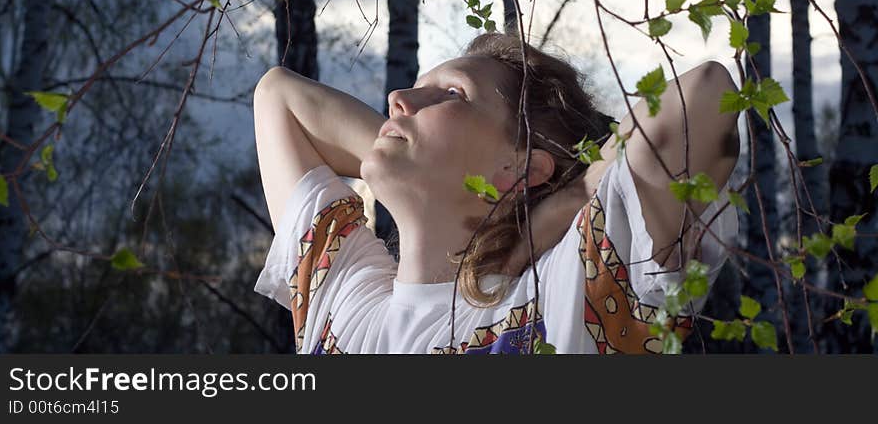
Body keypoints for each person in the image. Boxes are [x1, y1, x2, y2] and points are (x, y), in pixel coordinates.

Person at [252, 32, 740, 353]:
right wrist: (418, 153)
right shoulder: (344, 306)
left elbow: (706, 96)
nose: (398, 100)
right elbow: (279, 97)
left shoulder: (559, 295)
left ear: (521, 168)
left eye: (452, 94)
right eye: (415, 90)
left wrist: (555, 214)